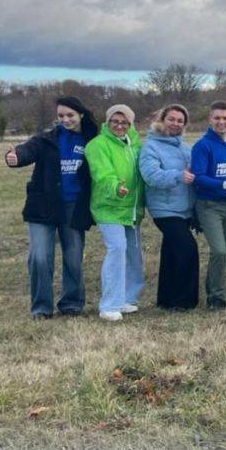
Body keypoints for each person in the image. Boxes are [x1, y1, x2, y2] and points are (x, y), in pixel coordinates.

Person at [4, 96, 97, 319]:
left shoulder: (91, 140)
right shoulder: (46, 139)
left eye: (70, 115)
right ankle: (41, 308)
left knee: (73, 257)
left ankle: (72, 303)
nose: (65, 120)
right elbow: (27, 150)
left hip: (74, 208)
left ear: (81, 114)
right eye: (61, 116)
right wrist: (14, 157)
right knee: (40, 257)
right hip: (42, 207)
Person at [85, 104, 145, 321]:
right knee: (117, 249)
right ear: (107, 122)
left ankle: (126, 299)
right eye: (115, 122)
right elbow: (102, 173)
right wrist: (115, 187)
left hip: (131, 209)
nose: (119, 126)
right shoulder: (97, 145)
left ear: (130, 124)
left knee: (133, 254)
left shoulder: (134, 144)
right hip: (109, 207)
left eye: (124, 122)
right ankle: (109, 305)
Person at [139, 104, 198, 310]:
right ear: (162, 120)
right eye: (171, 119)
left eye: (180, 121)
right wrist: (179, 176)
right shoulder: (150, 147)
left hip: (184, 208)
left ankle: (165, 299)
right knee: (187, 248)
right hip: (164, 209)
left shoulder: (186, 148)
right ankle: (183, 301)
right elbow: (151, 176)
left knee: (172, 251)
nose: (175, 124)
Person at [191, 100, 226, 310]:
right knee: (218, 250)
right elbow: (198, 177)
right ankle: (217, 296)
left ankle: (213, 291)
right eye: (217, 118)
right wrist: (222, 184)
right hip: (209, 204)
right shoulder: (203, 145)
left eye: (225, 118)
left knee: (225, 252)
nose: (221, 122)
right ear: (210, 119)